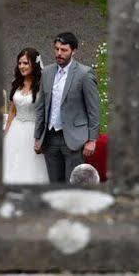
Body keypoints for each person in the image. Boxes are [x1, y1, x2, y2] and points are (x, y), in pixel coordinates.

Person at [34, 32, 100, 183]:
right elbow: (41, 107)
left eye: (64, 50)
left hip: (74, 139)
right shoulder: (47, 72)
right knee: (54, 183)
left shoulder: (84, 74)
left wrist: (92, 140)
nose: (59, 53)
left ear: (73, 51)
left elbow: (94, 109)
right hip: (50, 138)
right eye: (56, 49)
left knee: (73, 183)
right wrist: (38, 136)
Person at [2, 48, 49, 184]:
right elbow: (12, 110)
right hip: (15, 130)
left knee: (29, 167)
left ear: (34, 64)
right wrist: (7, 130)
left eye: (25, 63)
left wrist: (41, 136)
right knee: (11, 165)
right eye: (20, 63)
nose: (21, 66)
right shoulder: (17, 83)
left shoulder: (42, 85)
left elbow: (45, 111)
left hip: (33, 130)